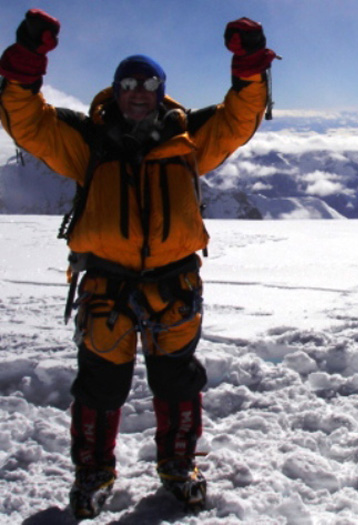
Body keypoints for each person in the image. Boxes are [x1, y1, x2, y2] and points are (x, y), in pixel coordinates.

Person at [0, 8, 276, 519]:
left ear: (160, 89)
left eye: (147, 81)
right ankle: (93, 474)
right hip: (107, 285)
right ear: (116, 89)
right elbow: (28, 122)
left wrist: (250, 69)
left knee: (178, 383)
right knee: (100, 386)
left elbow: (239, 118)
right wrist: (24, 63)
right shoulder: (88, 141)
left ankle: (178, 467)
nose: (137, 90)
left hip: (174, 284)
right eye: (128, 82)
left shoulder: (189, 139)